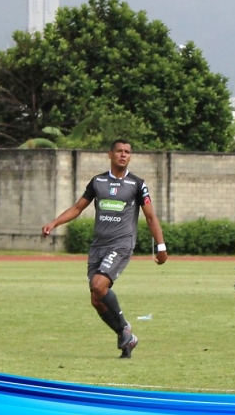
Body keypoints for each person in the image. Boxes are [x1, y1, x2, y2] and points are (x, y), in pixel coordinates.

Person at [41, 139, 168, 358]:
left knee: (99, 285)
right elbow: (78, 207)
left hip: (121, 245)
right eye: (119, 151)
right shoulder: (97, 181)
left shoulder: (138, 184)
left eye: (127, 152)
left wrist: (161, 246)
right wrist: (54, 223)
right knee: (96, 298)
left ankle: (125, 329)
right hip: (98, 246)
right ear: (110, 154)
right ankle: (126, 336)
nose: (123, 155)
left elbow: (150, 216)